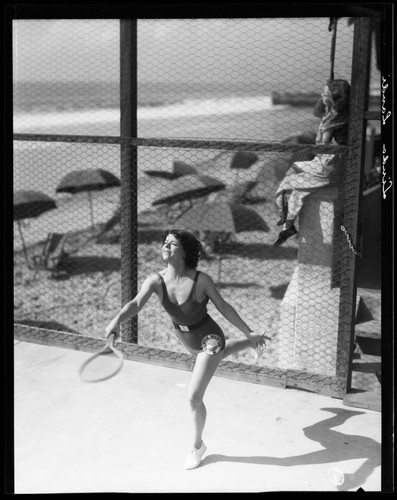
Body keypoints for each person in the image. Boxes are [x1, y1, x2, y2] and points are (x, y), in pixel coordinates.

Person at [105, 229, 269, 470]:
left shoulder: (201, 281)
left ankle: (197, 446)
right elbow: (135, 304)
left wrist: (247, 329)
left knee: (194, 396)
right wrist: (115, 322)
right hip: (187, 340)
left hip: (210, 338)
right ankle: (252, 342)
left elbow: (223, 306)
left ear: (185, 251)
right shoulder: (155, 281)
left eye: (172, 244)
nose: (166, 247)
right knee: (214, 356)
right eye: (165, 243)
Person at [274, 79, 350, 246]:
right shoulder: (343, 114)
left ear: (333, 98)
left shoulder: (333, 119)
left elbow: (321, 147)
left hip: (329, 167)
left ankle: (284, 217)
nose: (321, 95)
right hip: (338, 165)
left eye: (325, 94)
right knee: (298, 190)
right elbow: (318, 112)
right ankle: (288, 225)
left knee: (288, 180)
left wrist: (314, 139)